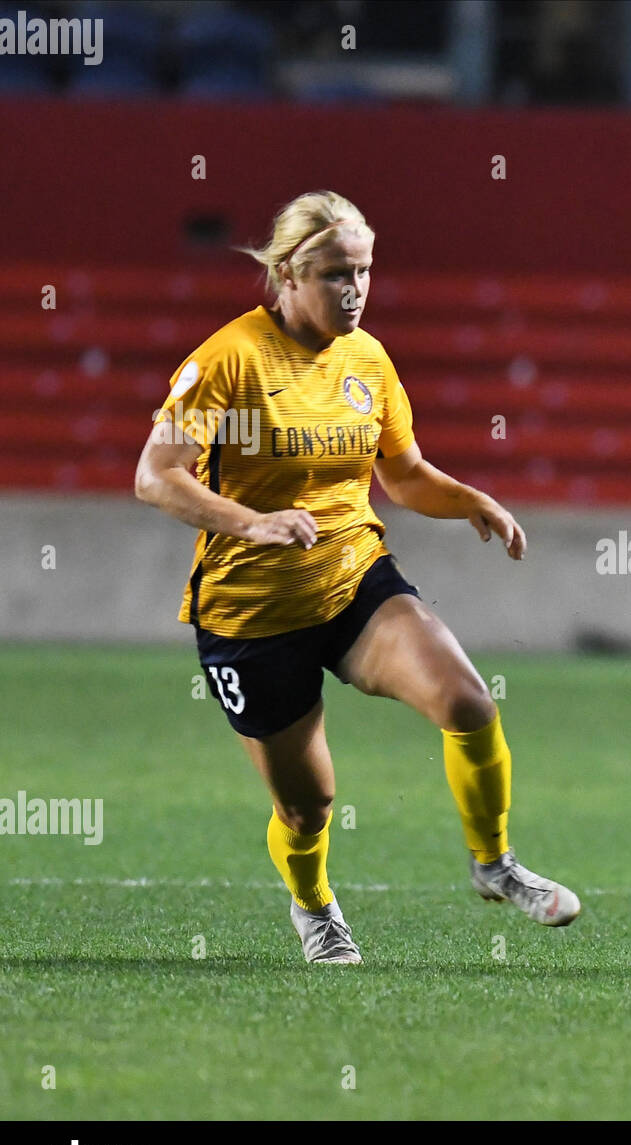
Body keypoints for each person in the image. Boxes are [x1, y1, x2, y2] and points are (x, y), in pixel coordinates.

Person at [134, 190, 580, 965]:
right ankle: (315, 908)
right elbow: (155, 476)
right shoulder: (229, 359)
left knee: (470, 703)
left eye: (366, 271)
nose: (356, 290)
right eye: (338, 273)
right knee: (308, 809)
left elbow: (402, 475)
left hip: (351, 579)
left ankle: (494, 864)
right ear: (287, 273)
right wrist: (254, 522)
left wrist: (468, 497)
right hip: (252, 614)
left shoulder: (367, 358)